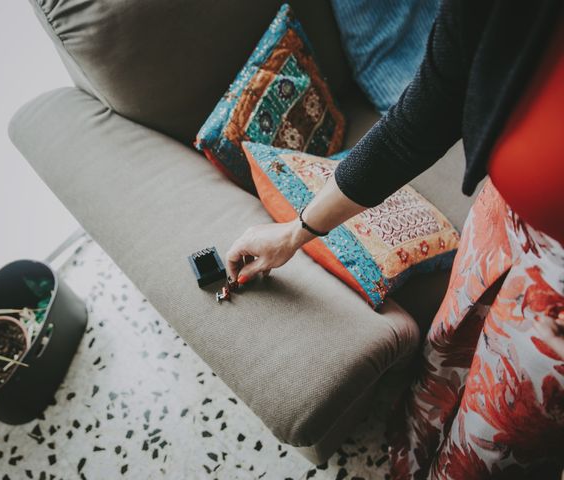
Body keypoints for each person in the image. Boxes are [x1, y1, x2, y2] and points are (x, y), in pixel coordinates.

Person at [226, 1, 564, 478]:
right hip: (496, 227)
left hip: (555, 311)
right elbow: (419, 121)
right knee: (446, 352)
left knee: (500, 440)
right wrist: (296, 232)